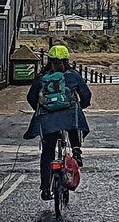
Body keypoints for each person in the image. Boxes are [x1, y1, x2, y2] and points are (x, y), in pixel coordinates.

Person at [24, 45, 92, 200]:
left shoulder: (42, 77)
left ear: (50, 60)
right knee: (73, 120)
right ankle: (76, 150)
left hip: (48, 120)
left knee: (48, 152)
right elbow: (86, 95)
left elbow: (31, 97)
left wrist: (41, 108)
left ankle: (46, 189)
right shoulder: (73, 76)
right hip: (69, 117)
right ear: (66, 60)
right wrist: (82, 105)